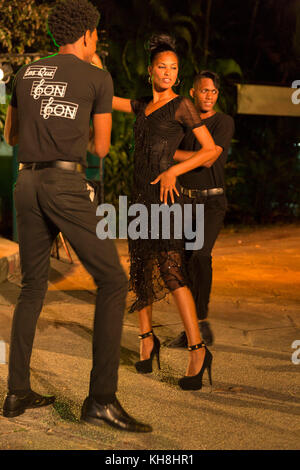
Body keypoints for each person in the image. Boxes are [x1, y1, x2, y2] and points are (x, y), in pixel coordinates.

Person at [2, 0, 151, 433]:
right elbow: (100, 149)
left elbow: (11, 135)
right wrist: (77, 124)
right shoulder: (97, 77)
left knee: (32, 287)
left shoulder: (26, 73)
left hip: (26, 184)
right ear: (86, 34)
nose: (97, 41)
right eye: (96, 35)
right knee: (113, 280)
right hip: (65, 186)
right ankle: (101, 400)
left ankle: (16, 391)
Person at [112, 34, 217, 390]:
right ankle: (146, 340)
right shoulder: (142, 105)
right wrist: (88, 64)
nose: (168, 73)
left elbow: (211, 150)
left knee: (172, 272)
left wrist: (174, 170)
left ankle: (198, 349)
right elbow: (107, 98)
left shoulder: (182, 106)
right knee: (140, 270)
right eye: (162, 67)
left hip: (165, 199)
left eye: (173, 68)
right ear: (150, 70)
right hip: (139, 197)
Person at [167, 71, 235, 348]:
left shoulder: (223, 122)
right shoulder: (183, 125)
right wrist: (190, 155)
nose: (208, 96)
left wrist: (177, 155)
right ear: (193, 93)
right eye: (204, 91)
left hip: (212, 202)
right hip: (185, 201)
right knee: (182, 263)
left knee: (200, 255)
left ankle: (202, 322)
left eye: (213, 92)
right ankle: (191, 329)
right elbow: (166, 151)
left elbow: (209, 160)